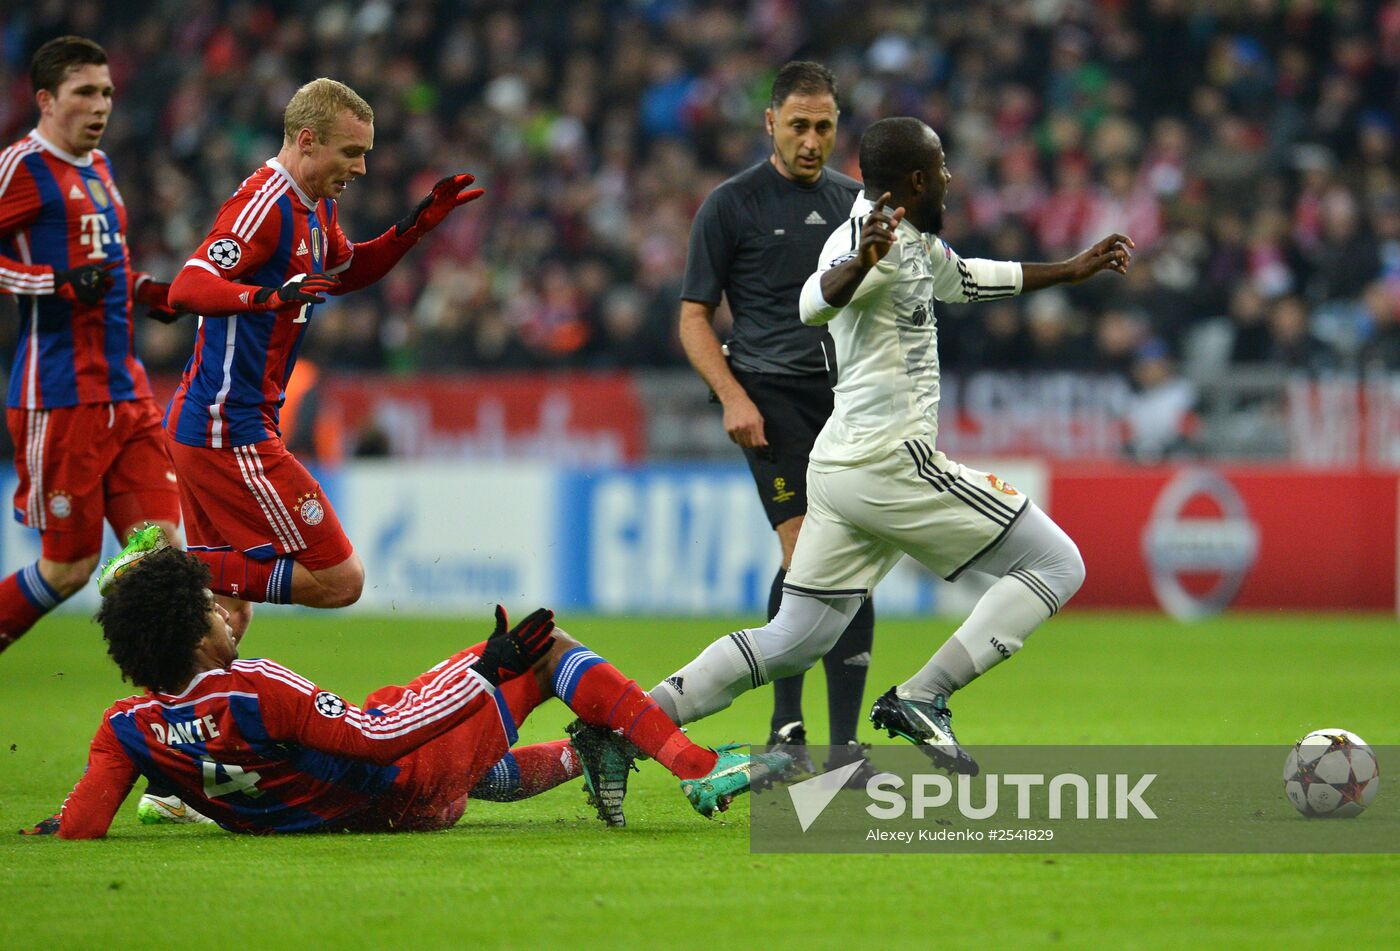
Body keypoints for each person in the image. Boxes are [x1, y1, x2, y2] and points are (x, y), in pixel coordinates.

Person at [649, 118, 1134, 775]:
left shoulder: (908, 239)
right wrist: (858, 262)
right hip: (889, 463)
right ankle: (923, 694)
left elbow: (966, 277)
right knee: (1057, 562)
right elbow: (812, 301)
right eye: (941, 168)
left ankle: (627, 724)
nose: (950, 179)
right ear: (916, 179)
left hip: (842, 469)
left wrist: (1070, 271)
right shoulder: (862, 237)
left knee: (792, 640)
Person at [26, 538, 787, 838]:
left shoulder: (126, 727)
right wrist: (484, 669)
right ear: (195, 637)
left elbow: (80, 828)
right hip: (405, 779)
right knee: (544, 649)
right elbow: (380, 738)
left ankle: (589, 752)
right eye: (212, 609)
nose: (228, 615)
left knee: (461, 748)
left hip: (384, 817)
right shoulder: (253, 687)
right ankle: (693, 763)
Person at [159, 78, 482, 640]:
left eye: (365, 154)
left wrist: (414, 229)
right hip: (226, 429)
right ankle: (159, 568)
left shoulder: (317, 204)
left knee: (223, 620)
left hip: (217, 423)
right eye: (351, 152)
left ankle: (182, 717)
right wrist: (267, 296)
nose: (359, 168)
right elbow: (187, 287)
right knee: (339, 579)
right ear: (307, 140)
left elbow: (345, 270)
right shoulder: (263, 207)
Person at [678, 61, 874, 776]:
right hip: (769, 399)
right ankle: (791, 734)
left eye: (824, 126)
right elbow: (694, 317)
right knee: (811, 557)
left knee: (846, 564)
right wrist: (732, 394)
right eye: (799, 125)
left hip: (844, 403)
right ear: (770, 123)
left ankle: (839, 748)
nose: (812, 140)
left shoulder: (859, 204)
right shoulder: (731, 205)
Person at [0, 35, 186, 657]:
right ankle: (108, 591)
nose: (100, 105)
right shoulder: (24, 167)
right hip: (60, 394)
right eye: (84, 92)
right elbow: (62, 275)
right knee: (67, 569)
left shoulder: (100, 168)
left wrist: (146, 291)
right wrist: (51, 283)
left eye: (106, 91)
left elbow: (101, 268)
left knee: (162, 552)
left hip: (125, 389)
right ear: (47, 100)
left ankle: (167, 701)